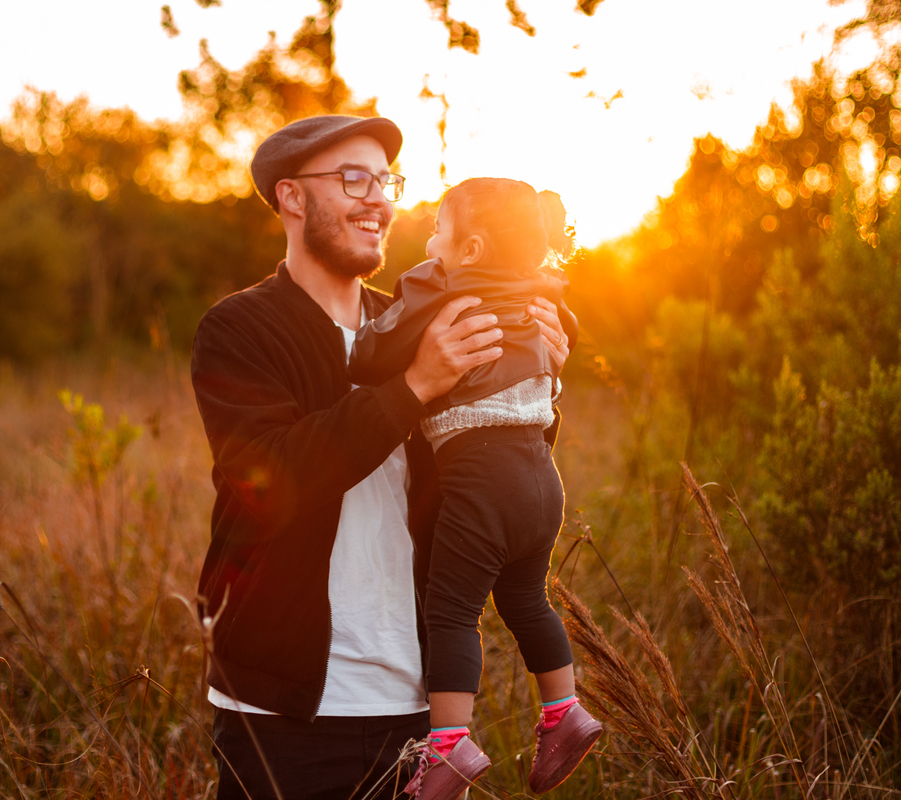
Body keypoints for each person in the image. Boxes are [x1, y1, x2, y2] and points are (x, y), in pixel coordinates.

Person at [189, 115, 572, 800]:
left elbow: (487, 465)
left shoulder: (421, 315)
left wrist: (538, 380)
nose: (378, 199)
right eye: (351, 178)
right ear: (292, 198)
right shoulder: (242, 327)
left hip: (420, 712)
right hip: (286, 716)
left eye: (385, 180)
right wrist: (416, 385)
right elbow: (268, 481)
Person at [348, 178, 603, 799]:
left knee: (451, 610)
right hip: (541, 479)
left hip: (479, 475)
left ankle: (448, 746)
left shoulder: (437, 284)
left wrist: (369, 344)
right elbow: (557, 345)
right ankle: (563, 709)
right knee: (525, 598)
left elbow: (371, 357)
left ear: (470, 247)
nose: (430, 240)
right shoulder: (547, 290)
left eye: (438, 228)